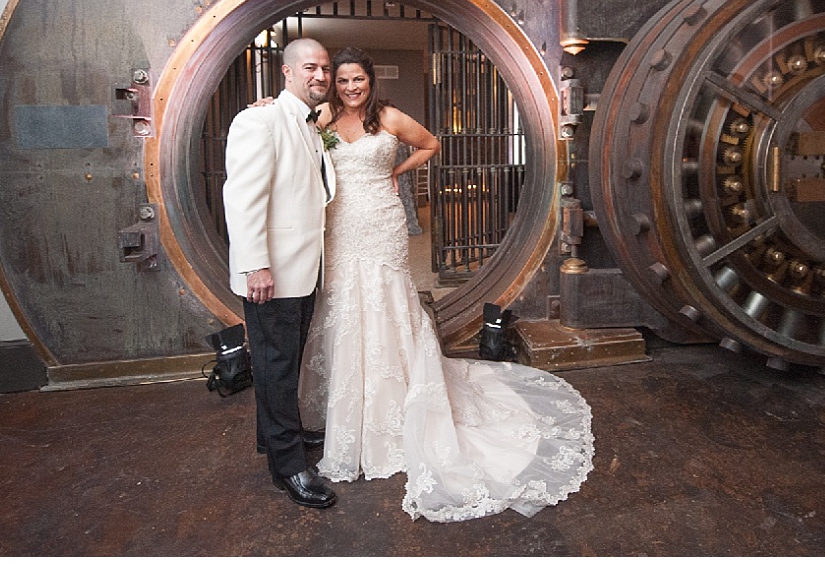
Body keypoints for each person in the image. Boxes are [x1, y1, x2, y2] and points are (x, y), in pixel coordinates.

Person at [297, 47, 594, 523]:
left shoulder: (390, 117)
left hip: (382, 220)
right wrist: (268, 107)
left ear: (371, 81)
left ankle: (397, 402)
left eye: (360, 80)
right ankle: (349, 410)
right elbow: (293, 129)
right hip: (340, 223)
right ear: (335, 84)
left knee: (386, 302)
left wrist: (395, 170)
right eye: (345, 81)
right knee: (347, 305)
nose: (352, 88)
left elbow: (432, 144)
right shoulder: (324, 115)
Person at [222, 37, 339, 509]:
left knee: (282, 366)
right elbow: (243, 197)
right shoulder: (261, 118)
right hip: (271, 274)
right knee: (274, 368)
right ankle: (288, 467)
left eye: (326, 68)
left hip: (303, 270)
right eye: (310, 67)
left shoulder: (310, 123)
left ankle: (278, 439)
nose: (322, 76)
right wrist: (255, 265)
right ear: (287, 72)